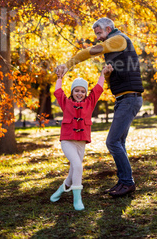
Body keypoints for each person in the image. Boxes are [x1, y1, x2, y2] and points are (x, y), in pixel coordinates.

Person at [56, 17, 144, 198]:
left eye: (99, 33)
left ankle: (127, 182)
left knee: (112, 142)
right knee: (119, 142)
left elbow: (89, 52)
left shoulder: (119, 39)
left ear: (109, 28)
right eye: (96, 34)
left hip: (129, 98)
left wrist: (68, 65)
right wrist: (109, 74)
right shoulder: (114, 46)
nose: (97, 38)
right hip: (123, 99)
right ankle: (124, 182)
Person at [50, 64, 113, 211]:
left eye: (82, 91)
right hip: (67, 140)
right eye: (76, 90)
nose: (79, 93)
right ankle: (77, 199)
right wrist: (60, 78)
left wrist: (103, 74)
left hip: (81, 142)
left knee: (73, 172)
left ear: (85, 93)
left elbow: (98, 89)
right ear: (72, 92)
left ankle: (60, 190)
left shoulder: (90, 103)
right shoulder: (66, 102)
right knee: (78, 166)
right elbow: (58, 91)